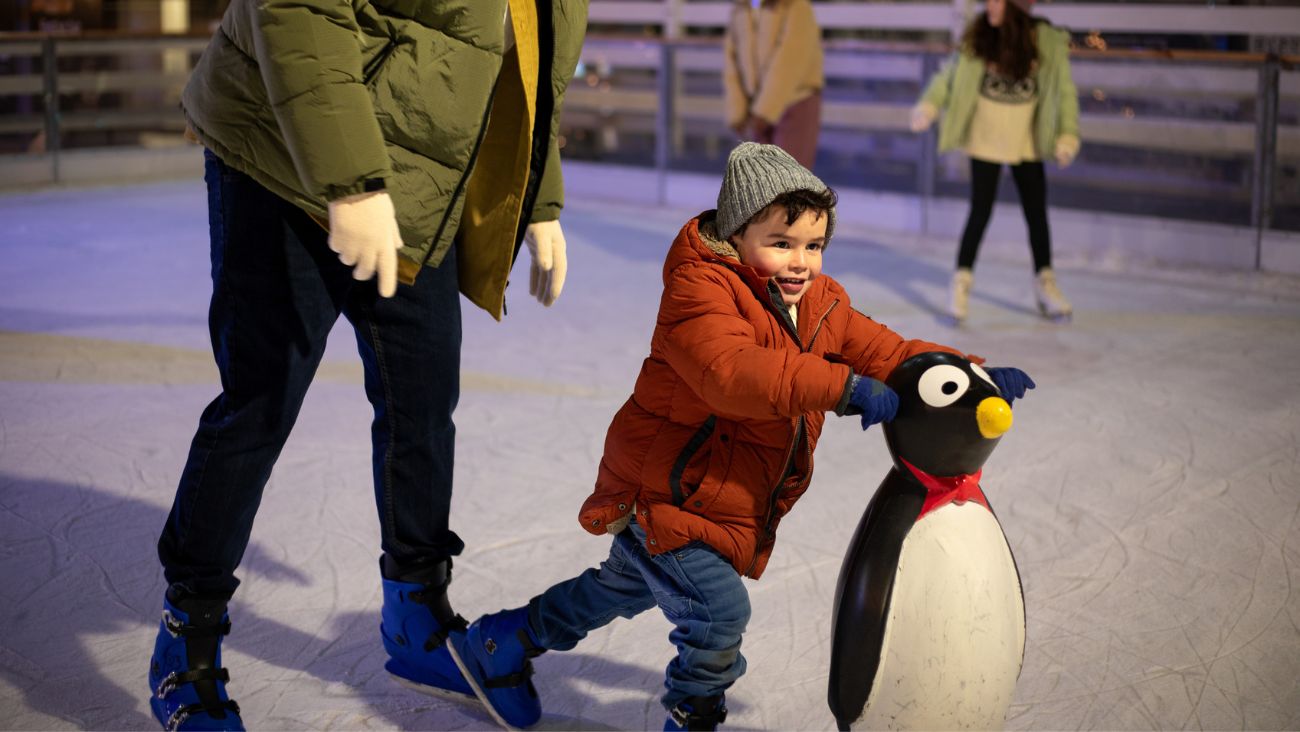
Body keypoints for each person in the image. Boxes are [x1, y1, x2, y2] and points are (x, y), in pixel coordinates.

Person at [410, 143, 1035, 731]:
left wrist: (965, 371)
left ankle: (499, 642)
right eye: (781, 243)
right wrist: (839, 387)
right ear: (736, 236)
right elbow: (730, 373)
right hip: (666, 491)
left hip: (712, 492)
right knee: (717, 614)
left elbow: (890, 352)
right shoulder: (698, 290)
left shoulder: (821, 302)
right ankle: (692, 714)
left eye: (814, 246)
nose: (801, 262)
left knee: (617, 590)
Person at [146, 2, 589, 730]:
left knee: (423, 395)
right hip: (280, 152)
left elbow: (528, 63)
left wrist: (538, 198)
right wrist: (350, 181)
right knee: (261, 399)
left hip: (415, 179)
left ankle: (416, 611)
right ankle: (185, 632)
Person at [910, 0, 1080, 322]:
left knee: (1036, 214)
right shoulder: (980, 36)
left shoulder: (1044, 40)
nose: (988, 4)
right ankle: (961, 281)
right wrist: (929, 105)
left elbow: (1064, 92)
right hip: (985, 140)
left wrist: (1067, 135)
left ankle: (1046, 284)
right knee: (980, 211)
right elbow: (949, 77)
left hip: (1026, 141)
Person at [724, 0, 825, 169]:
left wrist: (764, 111)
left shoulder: (796, 7)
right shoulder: (740, 10)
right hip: (756, 110)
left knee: (789, 186)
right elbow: (732, 62)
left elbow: (791, 59)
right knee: (761, 187)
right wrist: (738, 110)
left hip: (795, 104)